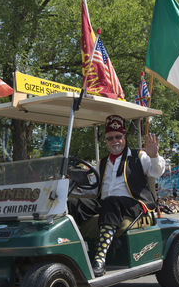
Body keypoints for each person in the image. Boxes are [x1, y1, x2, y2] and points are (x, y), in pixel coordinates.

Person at [68, 114, 165, 276]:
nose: (115, 141)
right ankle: (71, 251)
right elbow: (92, 189)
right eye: (110, 138)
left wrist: (154, 156)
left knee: (111, 202)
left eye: (118, 136)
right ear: (105, 141)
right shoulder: (103, 163)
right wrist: (71, 185)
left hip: (134, 204)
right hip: (107, 204)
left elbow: (157, 171)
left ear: (124, 137)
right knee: (71, 203)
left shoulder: (138, 156)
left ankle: (100, 258)